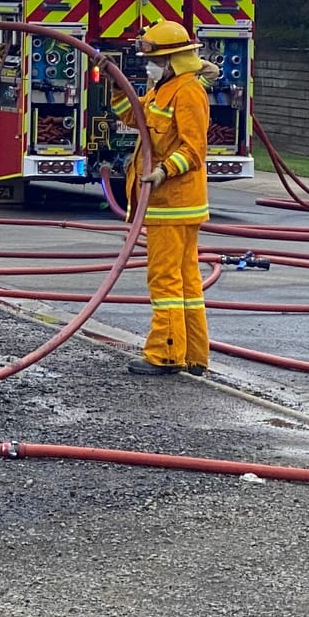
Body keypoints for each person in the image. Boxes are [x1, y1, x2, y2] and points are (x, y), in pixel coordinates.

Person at [111, 20, 212, 376]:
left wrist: (163, 171)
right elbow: (135, 115)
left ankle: (166, 353)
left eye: (154, 61)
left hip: (173, 203)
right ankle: (193, 355)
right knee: (185, 282)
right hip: (168, 204)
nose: (149, 66)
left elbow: (194, 148)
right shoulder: (163, 89)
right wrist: (116, 83)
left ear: (172, 60)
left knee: (165, 281)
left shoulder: (187, 92)